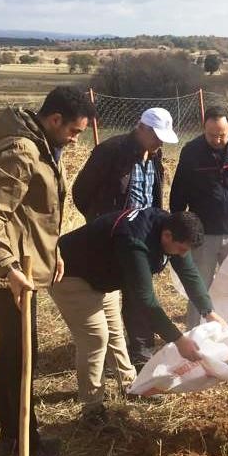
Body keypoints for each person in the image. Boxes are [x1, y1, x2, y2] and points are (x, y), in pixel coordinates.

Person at [0, 86, 95, 456]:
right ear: (54, 120)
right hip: (5, 276)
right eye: (74, 131)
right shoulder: (22, 152)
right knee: (22, 360)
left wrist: (52, 250)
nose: (75, 139)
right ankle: (27, 451)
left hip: (21, 269)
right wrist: (9, 268)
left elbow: (34, 213)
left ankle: (13, 438)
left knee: (17, 356)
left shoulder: (42, 146)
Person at [52, 208, 228, 426]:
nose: (183, 255)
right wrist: (178, 339)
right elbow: (146, 302)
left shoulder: (171, 228)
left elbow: (189, 274)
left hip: (101, 276)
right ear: (167, 237)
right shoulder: (135, 241)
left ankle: (130, 386)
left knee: (114, 332)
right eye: (181, 249)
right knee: (95, 338)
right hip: (71, 274)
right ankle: (92, 408)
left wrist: (208, 311)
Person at [72, 108, 179, 364]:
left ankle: (141, 353)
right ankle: (111, 356)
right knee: (107, 295)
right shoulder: (110, 152)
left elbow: (153, 193)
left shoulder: (154, 154)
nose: (160, 142)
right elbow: (81, 192)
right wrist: (103, 224)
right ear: (141, 128)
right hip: (114, 236)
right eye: (156, 136)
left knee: (138, 292)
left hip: (144, 235)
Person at [170, 105, 228, 329]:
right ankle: (194, 333)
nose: (217, 139)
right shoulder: (191, 152)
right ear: (204, 128)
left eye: (222, 134)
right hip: (203, 235)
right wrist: (178, 230)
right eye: (212, 135)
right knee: (199, 287)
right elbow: (178, 193)